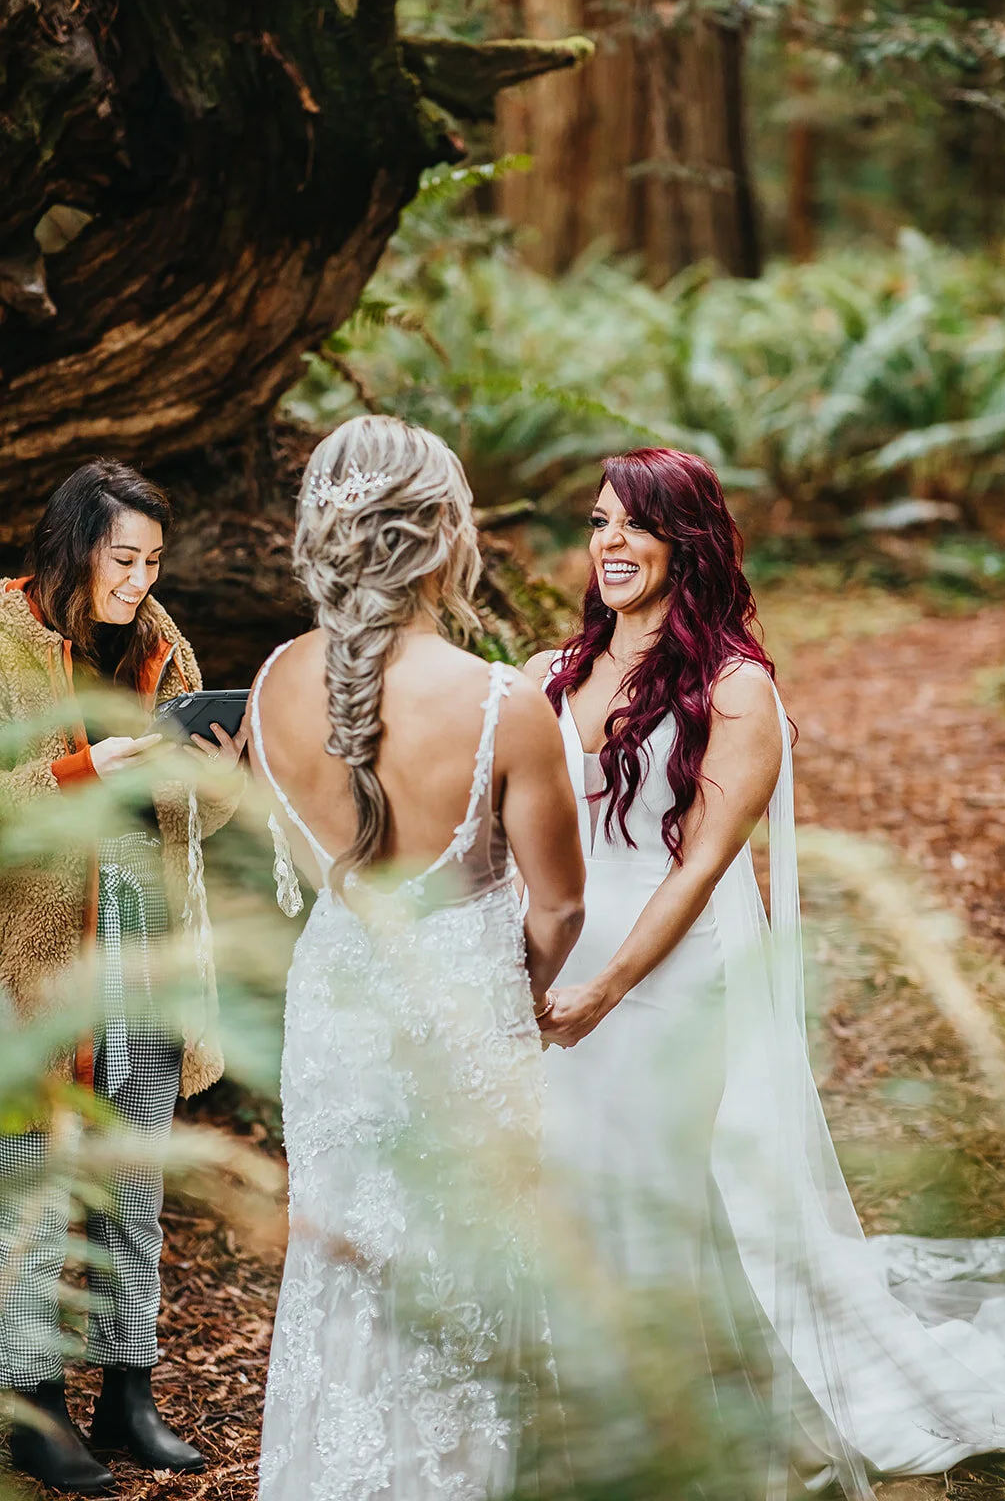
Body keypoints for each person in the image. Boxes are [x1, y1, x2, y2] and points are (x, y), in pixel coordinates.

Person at [527, 447, 1005, 1500]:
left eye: (633, 525)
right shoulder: (553, 671)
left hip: (674, 969)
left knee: (677, 1182)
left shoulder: (736, 689)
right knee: (575, 1173)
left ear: (684, 541)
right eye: (597, 522)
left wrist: (609, 988)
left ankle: (684, 1402)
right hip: (561, 952)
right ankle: (591, 1388)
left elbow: (699, 866)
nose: (609, 543)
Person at [249, 415, 585, 1500]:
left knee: (340, 1264)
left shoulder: (270, 685)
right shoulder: (503, 704)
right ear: (444, 533)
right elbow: (562, 903)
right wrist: (522, 997)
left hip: (337, 1001)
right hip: (460, 1015)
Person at [0, 460, 245, 1494]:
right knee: (35, 1187)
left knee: (133, 1181)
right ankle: (34, 1404)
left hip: (147, 950)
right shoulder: (4, 639)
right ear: (71, 546)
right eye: (123, 559)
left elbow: (200, 817)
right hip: (35, 967)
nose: (140, 579)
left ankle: (129, 1391)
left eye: (152, 561)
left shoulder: (159, 639)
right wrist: (79, 769)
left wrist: (217, 771)